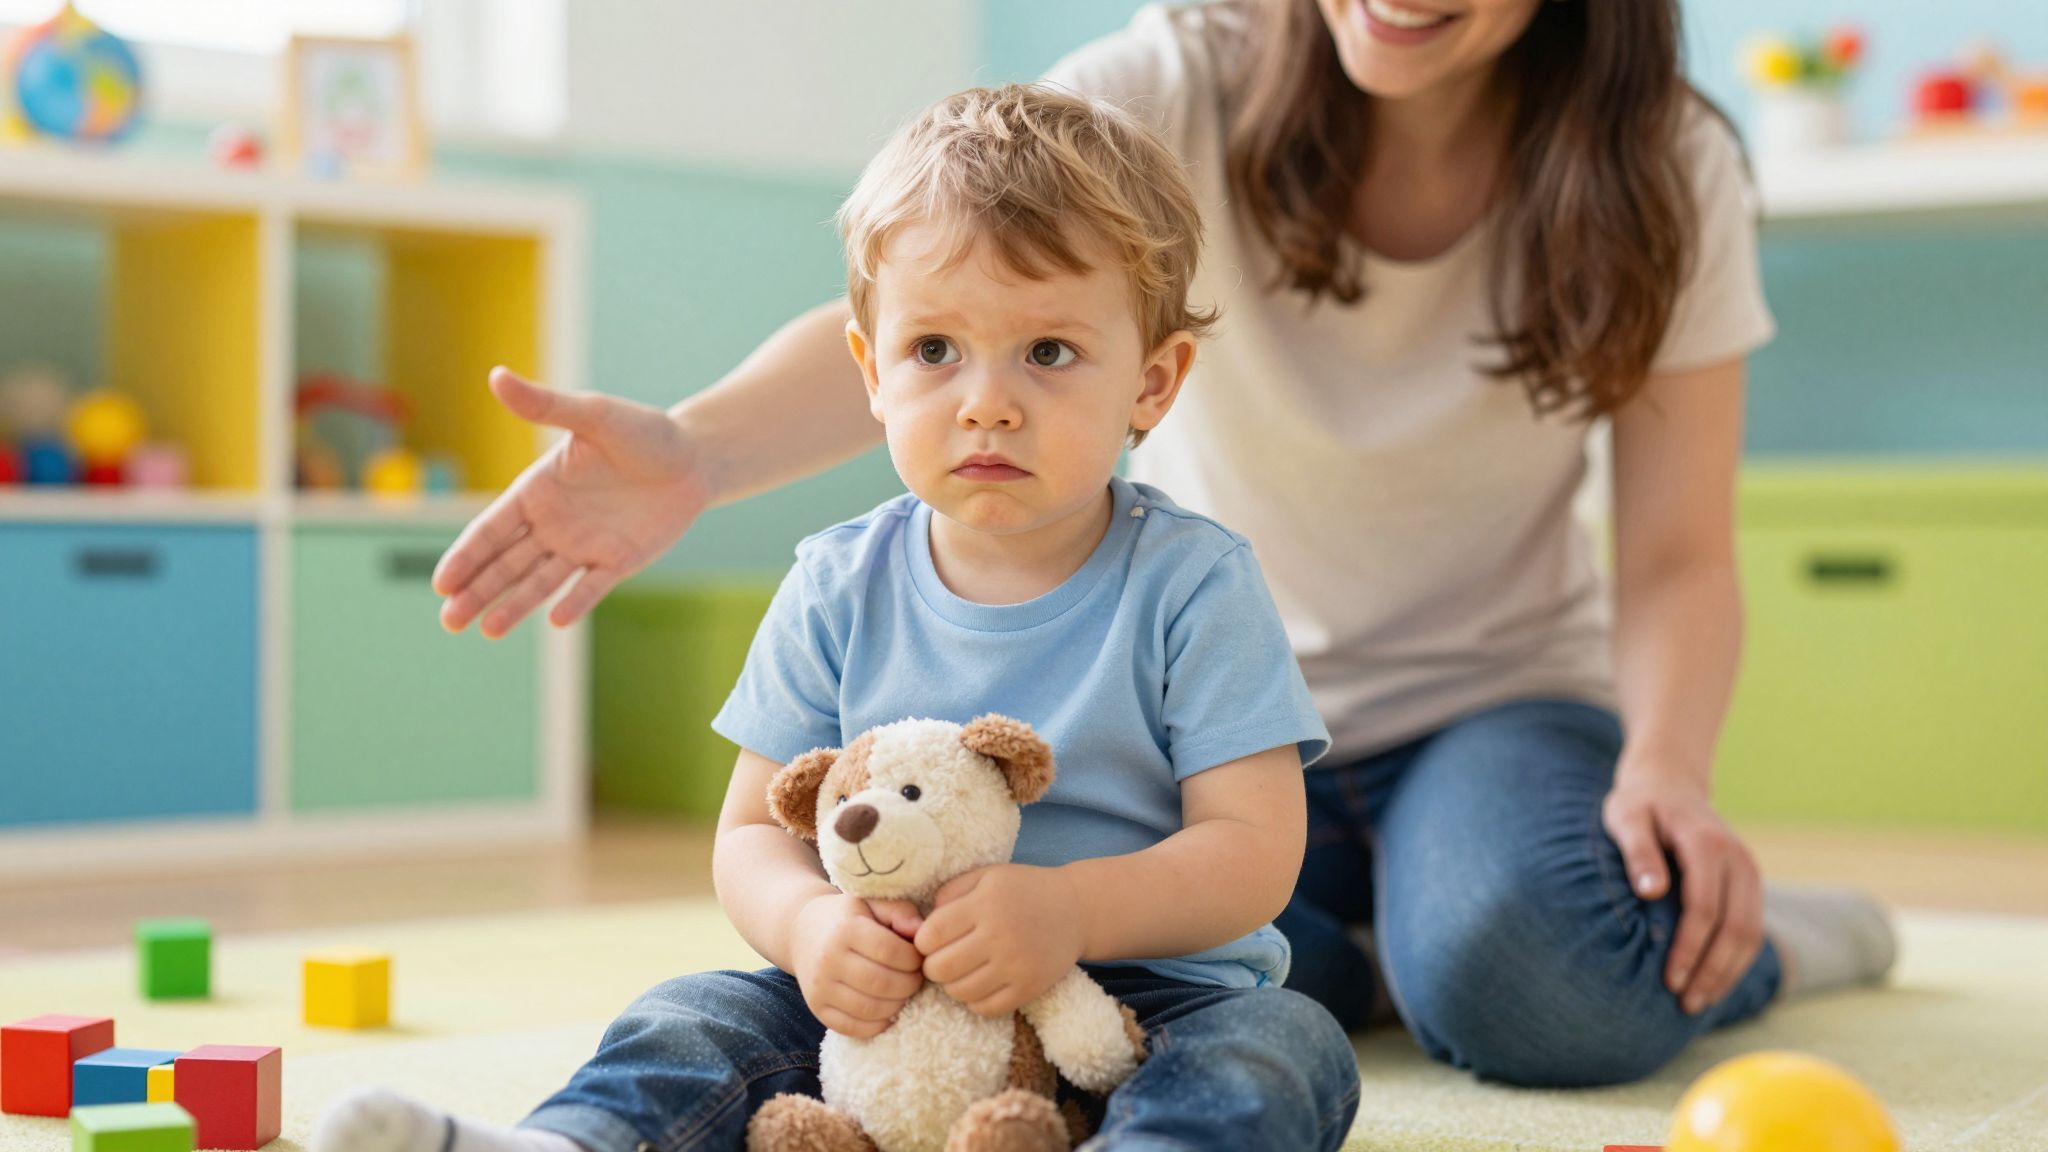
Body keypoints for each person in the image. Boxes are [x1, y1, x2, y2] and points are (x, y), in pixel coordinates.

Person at [423, 0, 1895, 1092]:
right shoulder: (1177, 79)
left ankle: (1735, 932)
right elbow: (950, 288)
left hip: (1493, 701)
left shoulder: (1661, 164)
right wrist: (695, 450)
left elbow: (1682, 550)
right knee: (1113, 973)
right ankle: (1401, 934)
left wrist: (1668, 778)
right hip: (1194, 737)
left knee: (1545, 983)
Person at [313, 82, 1361, 1152]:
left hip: (1146, 998)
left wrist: (1070, 914)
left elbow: (1251, 850)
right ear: (870, 370)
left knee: (1282, 1044)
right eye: (934, 351)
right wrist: (814, 929)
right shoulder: (833, 580)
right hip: (884, 1001)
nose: (984, 402)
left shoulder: (1193, 581)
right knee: (693, 1015)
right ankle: (574, 1142)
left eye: (1047, 353)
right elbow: (751, 836)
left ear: (1153, 382)